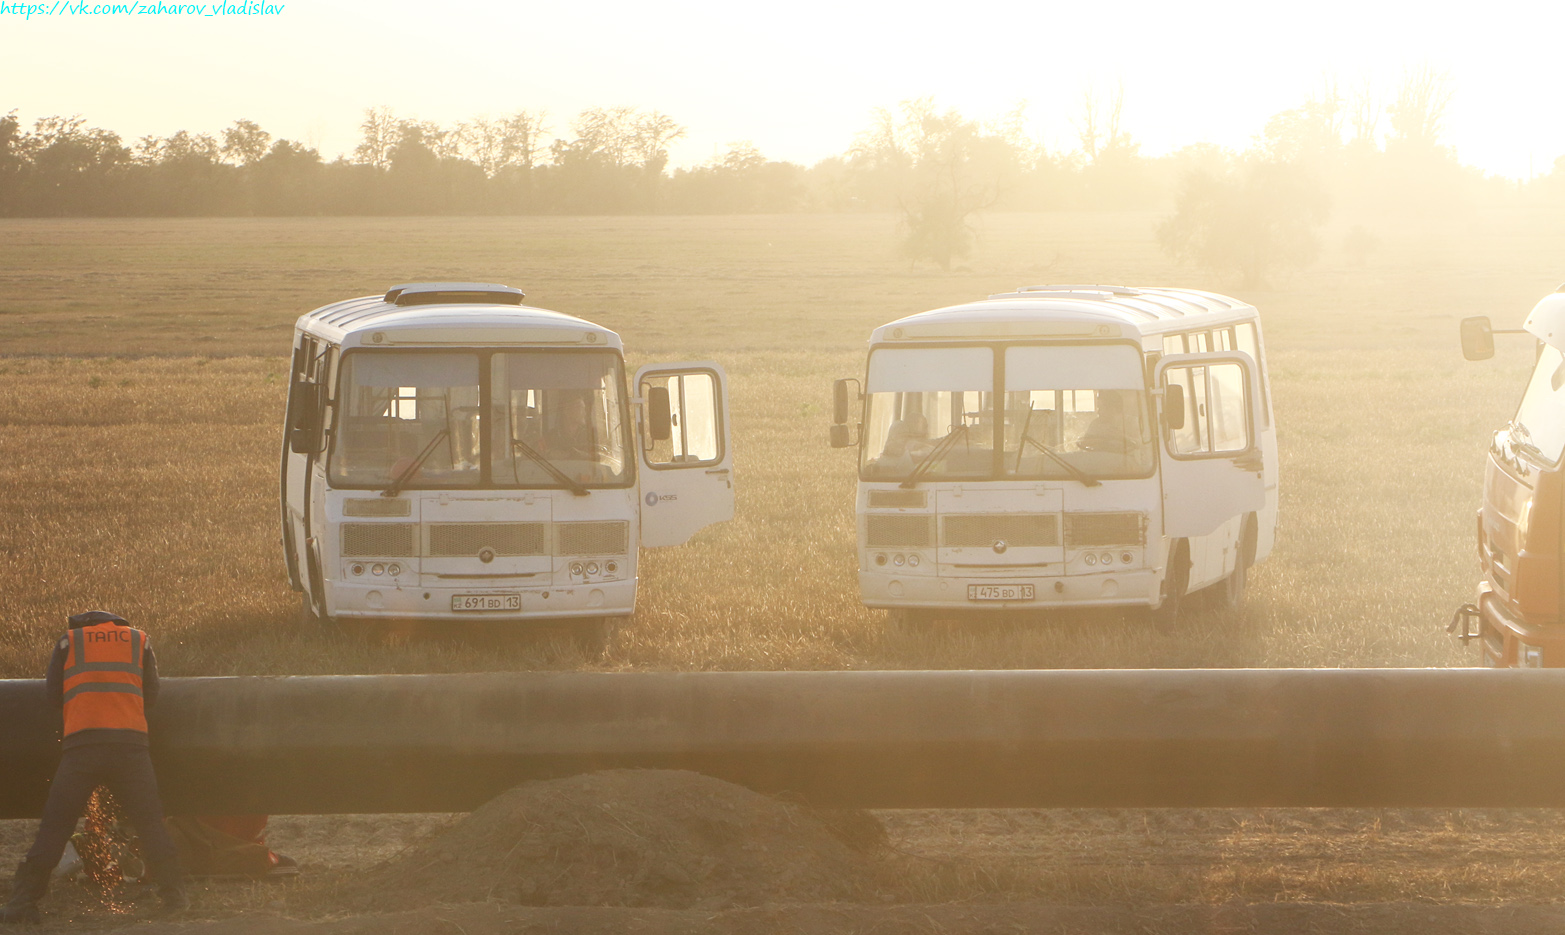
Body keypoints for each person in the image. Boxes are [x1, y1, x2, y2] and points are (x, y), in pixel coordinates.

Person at [0, 611, 187, 923]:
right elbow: (152, 695)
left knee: (56, 825)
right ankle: (175, 898)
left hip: (82, 747)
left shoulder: (69, 641)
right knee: (150, 822)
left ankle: (22, 903)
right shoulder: (139, 640)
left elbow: (52, 695)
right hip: (131, 747)